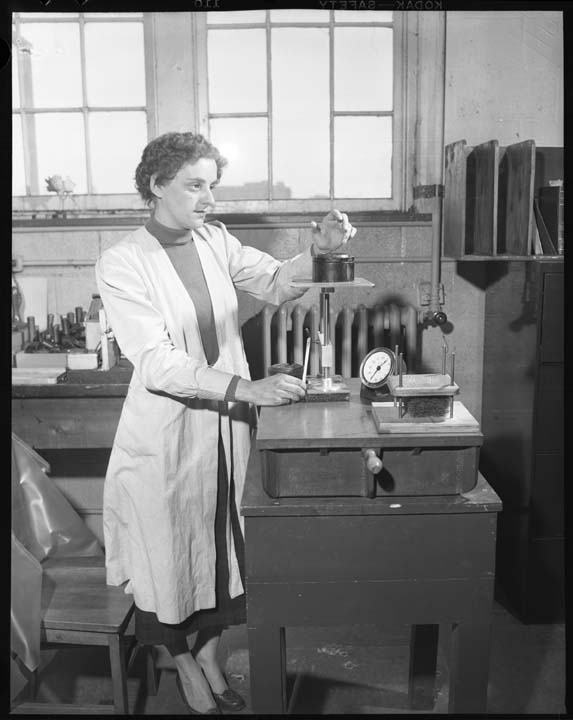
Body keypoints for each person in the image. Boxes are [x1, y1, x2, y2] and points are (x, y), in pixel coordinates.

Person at [95, 131, 355, 714]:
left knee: (222, 546)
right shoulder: (122, 261)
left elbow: (276, 281)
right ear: (157, 185)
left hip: (225, 427)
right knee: (169, 554)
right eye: (195, 185)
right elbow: (157, 361)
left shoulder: (215, 240)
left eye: (212, 185)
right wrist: (247, 389)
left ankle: (210, 654)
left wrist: (319, 248)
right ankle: (183, 663)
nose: (209, 199)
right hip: (167, 430)